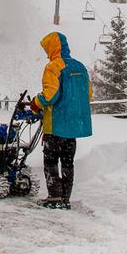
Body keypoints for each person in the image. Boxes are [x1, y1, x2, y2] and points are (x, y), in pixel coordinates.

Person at [30, 31, 93, 210]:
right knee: (67, 162)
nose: (46, 53)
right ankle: (65, 197)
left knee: (50, 161)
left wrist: (35, 103)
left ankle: (54, 197)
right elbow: (88, 94)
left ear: (53, 47)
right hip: (73, 126)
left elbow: (50, 96)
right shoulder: (80, 66)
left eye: (47, 49)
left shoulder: (53, 67)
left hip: (56, 124)